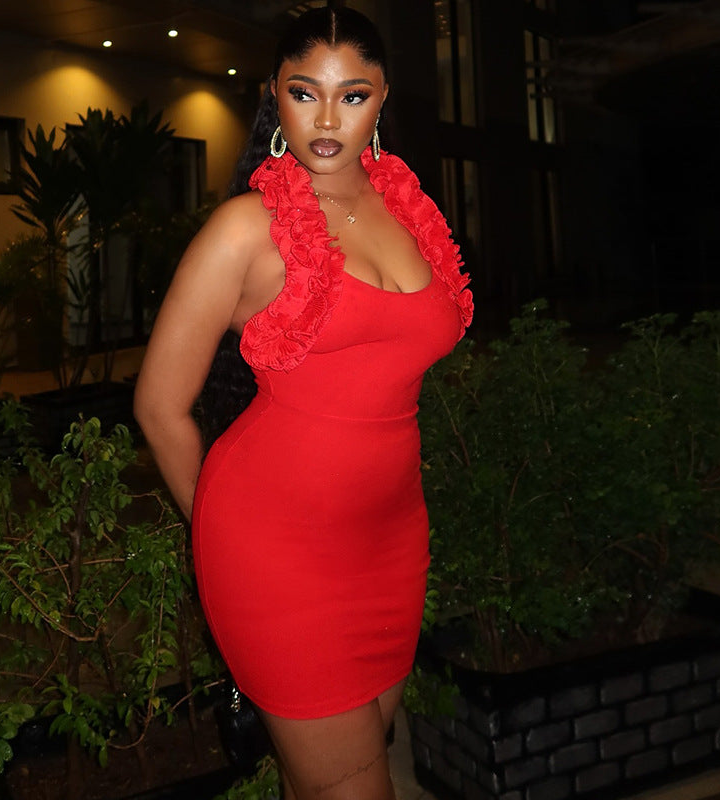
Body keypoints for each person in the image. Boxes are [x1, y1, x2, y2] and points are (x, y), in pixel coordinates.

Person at [134, 7, 472, 799]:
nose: (326, 119)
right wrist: (217, 530)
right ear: (273, 98)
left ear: (381, 99)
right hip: (277, 556)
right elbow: (158, 406)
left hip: (392, 541)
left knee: (336, 772)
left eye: (351, 95)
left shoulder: (409, 209)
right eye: (303, 92)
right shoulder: (245, 230)